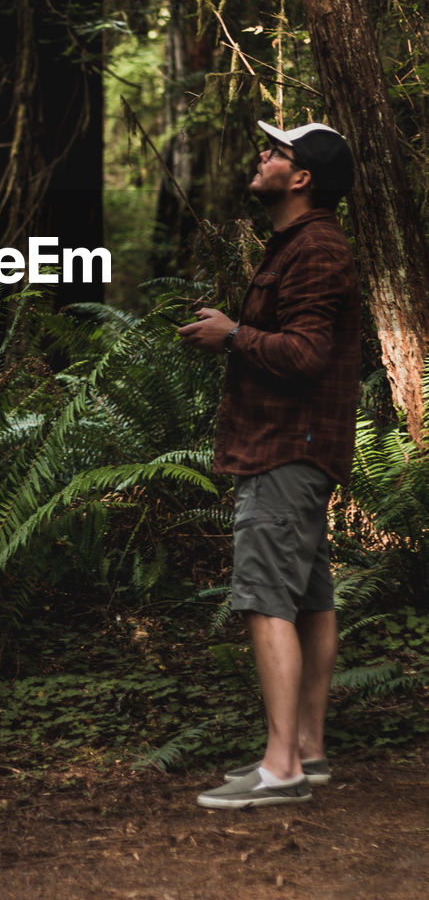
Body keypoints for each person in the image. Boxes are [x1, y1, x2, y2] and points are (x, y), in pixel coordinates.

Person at [178, 120, 361, 809]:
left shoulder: (313, 249)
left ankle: (279, 767)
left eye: (277, 151)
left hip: (287, 448)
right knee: (310, 599)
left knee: (264, 600)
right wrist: (235, 332)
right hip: (299, 448)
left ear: (302, 178)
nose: (261, 156)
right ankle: (307, 752)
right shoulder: (300, 246)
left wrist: (233, 334)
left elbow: (306, 354)